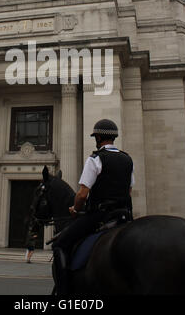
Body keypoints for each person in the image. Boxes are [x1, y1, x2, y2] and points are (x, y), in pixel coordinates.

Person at [52, 119, 134, 296]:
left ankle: (64, 292)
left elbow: (82, 193)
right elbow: (129, 190)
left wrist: (75, 209)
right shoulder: (127, 159)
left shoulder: (96, 159)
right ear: (114, 137)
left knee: (60, 244)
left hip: (100, 215)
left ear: (98, 137)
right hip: (124, 216)